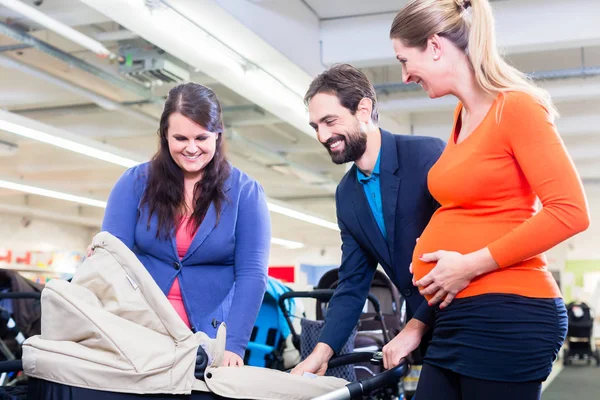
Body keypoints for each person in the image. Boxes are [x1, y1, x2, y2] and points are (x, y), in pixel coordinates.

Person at [388, 0, 590, 398]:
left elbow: (571, 212)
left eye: (403, 60)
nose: (404, 76)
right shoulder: (462, 115)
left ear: (434, 46)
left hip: (507, 316)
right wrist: (416, 326)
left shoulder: (516, 107)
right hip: (457, 317)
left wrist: (468, 264)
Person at [100, 82, 271, 367]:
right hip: (139, 331)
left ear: (217, 135)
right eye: (180, 138)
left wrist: (235, 345)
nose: (191, 148)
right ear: (165, 136)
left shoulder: (247, 193)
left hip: (210, 338)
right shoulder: (133, 183)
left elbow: (252, 276)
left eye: (201, 138)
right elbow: (109, 260)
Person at [291, 64, 446, 376]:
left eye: (329, 121)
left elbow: (458, 248)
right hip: (433, 333)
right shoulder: (346, 195)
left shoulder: (426, 155)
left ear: (363, 109)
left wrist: (414, 329)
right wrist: (321, 352)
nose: (322, 136)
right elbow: (352, 284)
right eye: (315, 126)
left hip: (473, 315)